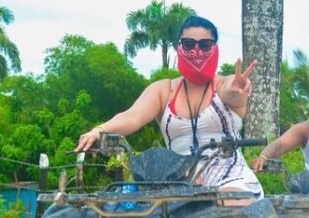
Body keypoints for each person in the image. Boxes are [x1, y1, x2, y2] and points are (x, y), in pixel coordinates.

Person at [75, 16, 264, 204]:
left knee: (224, 203)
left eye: (205, 45)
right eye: (188, 44)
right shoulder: (164, 90)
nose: (196, 51)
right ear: (178, 47)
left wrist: (236, 89)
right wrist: (100, 130)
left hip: (231, 178)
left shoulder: (224, 84)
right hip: (178, 183)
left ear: (215, 47)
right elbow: (132, 116)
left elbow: (232, 92)